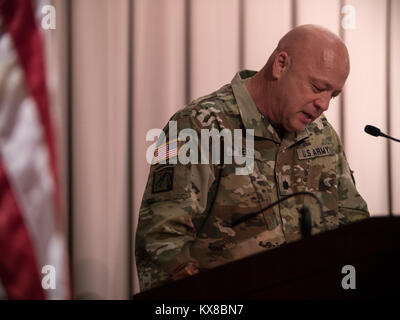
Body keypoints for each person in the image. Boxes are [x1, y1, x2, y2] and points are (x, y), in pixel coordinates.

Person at [135, 24, 369, 292]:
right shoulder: (196, 126)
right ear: (281, 65)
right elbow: (161, 244)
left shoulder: (321, 132)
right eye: (318, 87)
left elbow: (353, 221)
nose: (324, 104)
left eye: (334, 95)